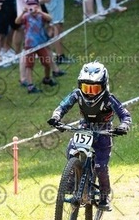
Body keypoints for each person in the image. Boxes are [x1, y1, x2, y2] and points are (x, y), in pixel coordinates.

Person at [47, 61, 131, 211]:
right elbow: (62, 106)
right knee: (71, 150)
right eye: (86, 88)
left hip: (104, 130)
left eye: (95, 88)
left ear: (104, 86)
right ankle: (72, 178)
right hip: (85, 127)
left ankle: (104, 196)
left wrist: (124, 125)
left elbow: (125, 115)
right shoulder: (77, 94)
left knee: (100, 166)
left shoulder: (109, 98)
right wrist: (56, 117)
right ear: (80, 85)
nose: (90, 93)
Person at [15, 0, 55, 94]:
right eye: (30, 6)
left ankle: (47, 78)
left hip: (40, 44)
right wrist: (23, 12)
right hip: (29, 45)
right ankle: (30, 85)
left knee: (47, 63)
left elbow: (50, 18)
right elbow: (17, 21)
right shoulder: (26, 16)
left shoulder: (41, 16)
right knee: (29, 65)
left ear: (37, 6)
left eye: (34, 5)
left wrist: (40, 12)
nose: (32, 8)